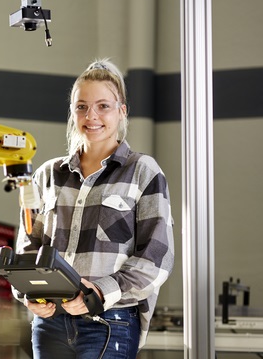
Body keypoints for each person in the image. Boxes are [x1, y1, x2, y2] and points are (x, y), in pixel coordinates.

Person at [15, 58, 175, 359]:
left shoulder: (143, 171)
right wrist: (28, 293)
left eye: (103, 106)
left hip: (108, 322)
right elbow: (28, 248)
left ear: (121, 111)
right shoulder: (47, 175)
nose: (92, 116)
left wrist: (98, 293)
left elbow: (156, 258)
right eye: (82, 107)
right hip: (49, 325)